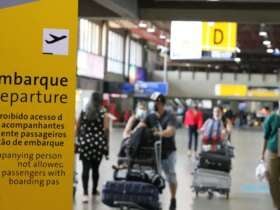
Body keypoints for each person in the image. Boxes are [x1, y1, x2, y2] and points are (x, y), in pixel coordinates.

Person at [140, 92, 178, 210]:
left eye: (154, 102)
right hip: (154, 153)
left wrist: (158, 133)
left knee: (170, 176)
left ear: (160, 103)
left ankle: (173, 198)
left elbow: (171, 131)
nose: (152, 104)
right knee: (154, 177)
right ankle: (154, 200)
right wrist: (132, 131)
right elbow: (140, 126)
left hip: (168, 152)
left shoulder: (170, 116)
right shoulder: (149, 116)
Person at [76, 92, 110, 203]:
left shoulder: (84, 110)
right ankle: (94, 190)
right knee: (95, 169)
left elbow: (78, 126)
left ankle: (85, 194)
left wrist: (78, 139)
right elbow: (106, 129)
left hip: (85, 143)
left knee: (85, 168)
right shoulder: (103, 112)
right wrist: (106, 142)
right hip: (98, 144)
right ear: (100, 100)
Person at [261, 102, 280, 210]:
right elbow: (266, 137)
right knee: (273, 180)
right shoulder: (272, 117)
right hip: (273, 152)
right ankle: (278, 205)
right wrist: (262, 154)